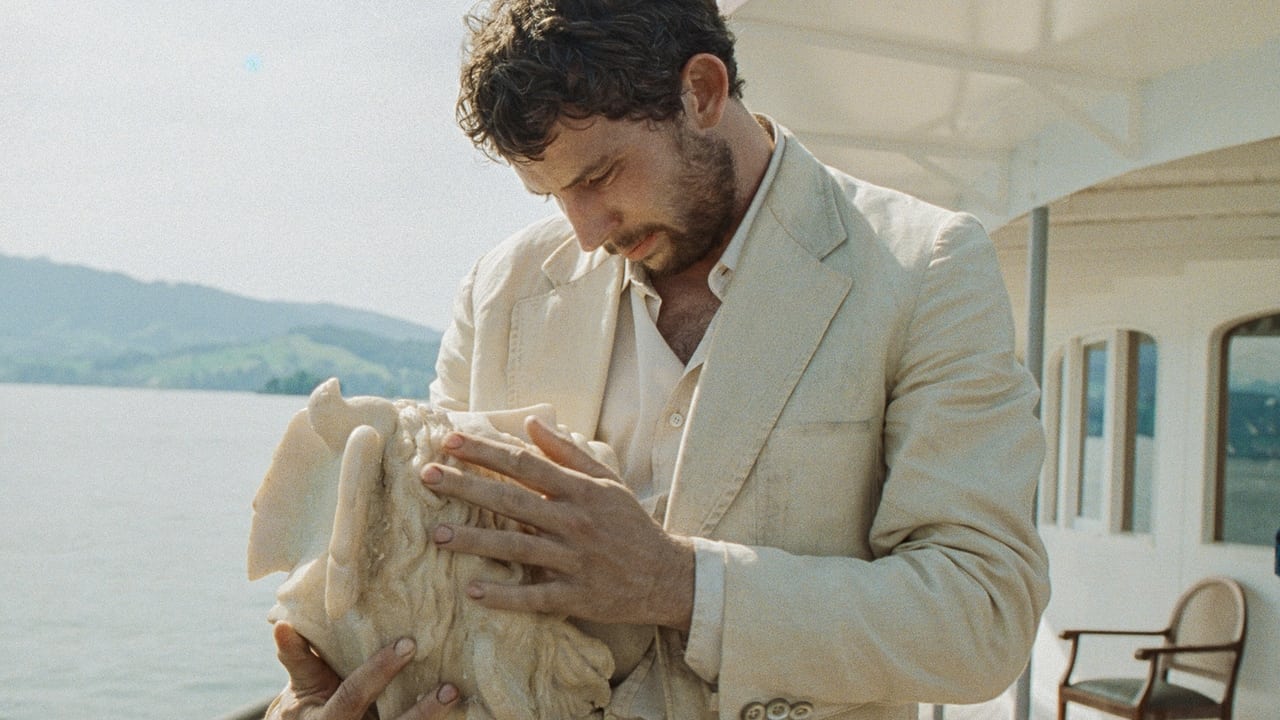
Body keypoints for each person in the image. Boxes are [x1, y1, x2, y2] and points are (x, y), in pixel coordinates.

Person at [267, 1, 1051, 718]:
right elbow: (432, 585)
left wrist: (679, 583)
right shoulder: (499, 290)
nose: (585, 230)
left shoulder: (923, 267)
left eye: (600, 175)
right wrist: (328, 698)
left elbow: (983, 615)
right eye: (553, 196)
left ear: (702, 91)